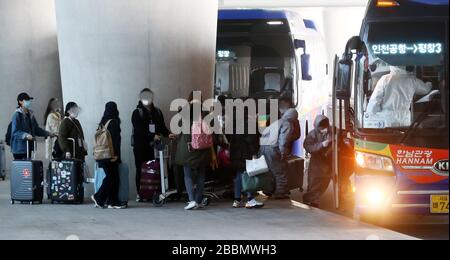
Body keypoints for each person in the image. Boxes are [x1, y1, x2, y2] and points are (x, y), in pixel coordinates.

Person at [131, 88, 173, 202]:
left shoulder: (157, 112)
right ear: (140, 98)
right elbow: (138, 130)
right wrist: (152, 136)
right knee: (141, 169)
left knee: (154, 169)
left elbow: (162, 127)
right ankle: (140, 193)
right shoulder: (137, 112)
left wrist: (169, 134)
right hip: (140, 147)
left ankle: (152, 192)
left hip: (154, 147)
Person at [174, 93, 211, 210]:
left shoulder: (186, 111)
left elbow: (180, 125)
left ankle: (192, 200)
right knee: (201, 174)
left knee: (187, 174)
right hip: (203, 147)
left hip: (189, 147)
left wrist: (189, 141)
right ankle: (198, 200)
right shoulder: (205, 112)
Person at [259, 97, 300, 199]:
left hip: (263, 147)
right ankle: (280, 193)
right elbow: (283, 139)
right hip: (273, 149)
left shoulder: (277, 121)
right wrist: (282, 152)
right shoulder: (287, 124)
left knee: (268, 170)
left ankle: (267, 190)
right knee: (280, 171)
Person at [366, 66, 433, 127]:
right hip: (404, 118)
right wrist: (430, 83)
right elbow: (426, 89)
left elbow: (374, 101)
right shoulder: (412, 80)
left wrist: (372, 119)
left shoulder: (385, 79)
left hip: (387, 118)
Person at [228, 99, 264, 209]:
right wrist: (254, 153)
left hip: (235, 153)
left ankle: (237, 199)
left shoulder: (233, 122)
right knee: (249, 175)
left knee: (239, 175)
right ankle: (250, 199)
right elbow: (251, 140)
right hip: (246, 153)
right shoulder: (249, 123)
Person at [92, 102, 124, 209]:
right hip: (110, 156)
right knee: (112, 178)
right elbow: (115, 141)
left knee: (112, 178)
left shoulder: (102, 123)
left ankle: (112, 201)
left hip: (102, 155)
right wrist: (116, 156)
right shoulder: (114, 122)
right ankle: (99, 197)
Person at [10, 93, 55, 160]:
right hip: (19, 149)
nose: (28, 102)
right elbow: (15, 132)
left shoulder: (30, 114)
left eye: (29, 100)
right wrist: (26, 135)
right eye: (26, 100)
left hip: (29, 147)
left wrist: (48, 133)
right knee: (22, 168)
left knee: (28, 168)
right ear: (20, 102)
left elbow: (36, 129)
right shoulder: (17, 115)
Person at [303, 115, 332, 208]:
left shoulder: (332, 131)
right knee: (314, 182)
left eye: (325, 127)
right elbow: (307, 146)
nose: (325, 130)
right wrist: (321, 145)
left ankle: (314, 199)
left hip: (328, 162)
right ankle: (311, 200)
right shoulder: (312, 134)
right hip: (316, 161)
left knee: (324, 181)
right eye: (322, 128)